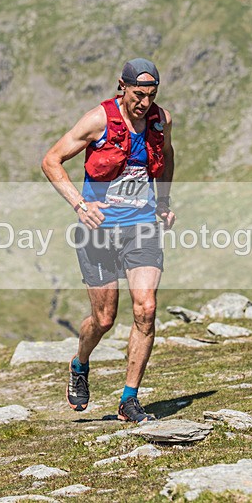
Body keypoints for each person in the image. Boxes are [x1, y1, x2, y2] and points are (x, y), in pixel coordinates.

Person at [41, 58, 175, 423]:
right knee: (104, 318)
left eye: (151, 95)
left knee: (145, 308)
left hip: (141, 226)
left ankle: (129, 400)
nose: (144, 103)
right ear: (122, 86)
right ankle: (80, 363)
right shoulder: (98, 120)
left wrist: (162, 202)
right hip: (98, 230)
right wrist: (80, 204)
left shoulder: (160, 121)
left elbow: (167, 156)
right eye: (137, 94)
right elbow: (52, 160)